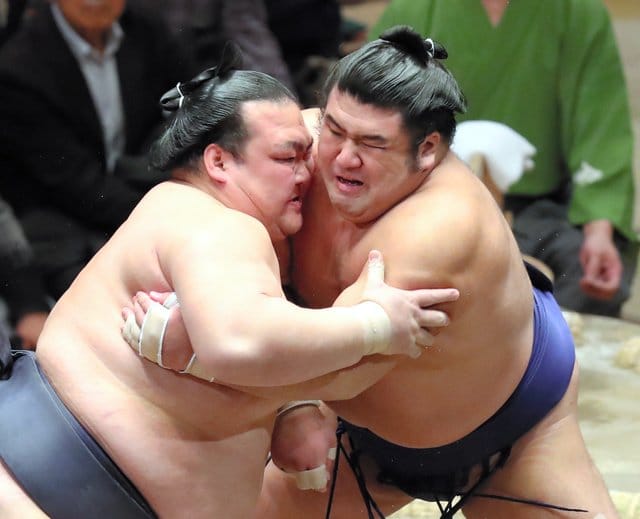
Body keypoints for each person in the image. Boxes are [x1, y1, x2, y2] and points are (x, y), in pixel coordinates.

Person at [131, 27, 619, 518]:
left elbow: (340, 366)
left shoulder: (442, 229)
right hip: (359, 443)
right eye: (335, 130)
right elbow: (212, 215)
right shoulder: (297, 148)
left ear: (426, 150)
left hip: (512, 432)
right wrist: (289, 401)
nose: (343, 158)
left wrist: (196, 354)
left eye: (373, 144)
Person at [0, 43, 458, 519]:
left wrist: (275, 396)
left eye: (307, 157)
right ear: (218, 162)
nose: (308, 175)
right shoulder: (218, 224)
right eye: (287, 157)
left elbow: (241, 352)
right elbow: (238, 342)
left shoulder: (185, 211)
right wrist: (376, 324)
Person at [371, 0, 638, 318]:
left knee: (586, 266)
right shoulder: (412, 10)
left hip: (540, 212)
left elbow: (600, 124)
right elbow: (372, 117)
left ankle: (548, 346)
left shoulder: (578, 11)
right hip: (427, 202)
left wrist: (599, 231)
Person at [0, 0, 195, 340]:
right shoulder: (19, 64)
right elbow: (73, 182)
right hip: (60, 223)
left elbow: (188, 106)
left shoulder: (147, 29)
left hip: (139, 191)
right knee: (116, 323)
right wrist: (166, 218)